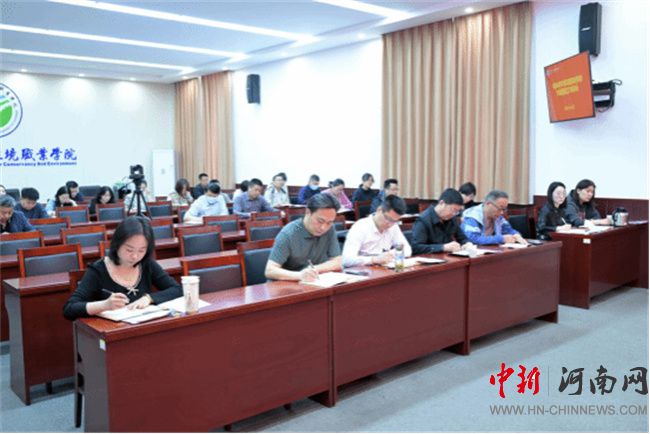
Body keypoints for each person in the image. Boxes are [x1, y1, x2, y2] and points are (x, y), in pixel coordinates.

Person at [63, 216, 182, 321]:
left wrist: (149, 298)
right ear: (117, 244)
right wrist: (104, 305)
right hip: (112, 332)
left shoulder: (146, 264)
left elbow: (178, 289)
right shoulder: (99, 270)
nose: (135, 256)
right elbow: (69, 309)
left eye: (141, 250)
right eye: (129, 250)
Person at [265, 193, 342, 281]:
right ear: (308, 212)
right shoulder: (289, 233)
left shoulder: (330, 229)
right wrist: (300, 275)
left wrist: (313, 269)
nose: (323, 227)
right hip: (287, 284)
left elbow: (338, 261)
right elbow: (270, 270)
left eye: (329, 222)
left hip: (313, 281)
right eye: (320, 221)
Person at [342, 194, 412, 267]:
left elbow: (407, 250)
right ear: (379, 210)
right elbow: (346, 260)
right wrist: (373, 259)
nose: (390, 224)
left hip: (384, 269)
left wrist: (391, 254)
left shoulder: (393, 226)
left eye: (394, 221)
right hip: (363, 270)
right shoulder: (360, 227)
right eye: (388, 218)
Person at [412, 188, 475, 254]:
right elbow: (416, 247)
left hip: (447, 257)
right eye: (453, 209)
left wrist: (467, 244)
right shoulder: (423, 220)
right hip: (430, 258)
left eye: (457, 211)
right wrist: (443, 247)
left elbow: (462, 238)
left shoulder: (452, 218)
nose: (454, 214)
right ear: (442, 203)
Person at [461, 190, 528, 245]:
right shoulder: (472, 216)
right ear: (488, 204)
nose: (502, 212)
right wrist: (500, 239)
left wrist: (516, 235)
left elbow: (508, 230)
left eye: (504, 209)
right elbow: (472, 239)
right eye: (500, 208)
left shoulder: (498, 217)